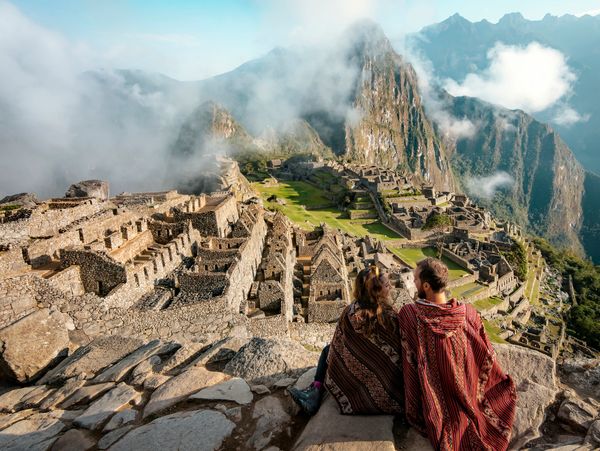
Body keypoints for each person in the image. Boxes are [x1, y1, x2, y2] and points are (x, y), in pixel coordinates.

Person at [399, 257, 517, 451]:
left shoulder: (410, 315)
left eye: (416, 280)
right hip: (471, 392)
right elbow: (486, 354)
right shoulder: (469, 314)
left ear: (426, 286)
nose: (413, 282)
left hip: (438, 407)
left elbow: (409, 361)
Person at [288, 265, 404, 415]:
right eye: (387, 285)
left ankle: (316, 390)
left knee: (328, 350)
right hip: (387, 386)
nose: (391, 287)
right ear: (377, 290)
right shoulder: (390, 317)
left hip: (353, 382)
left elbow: (339, 345)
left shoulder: (350, 312)